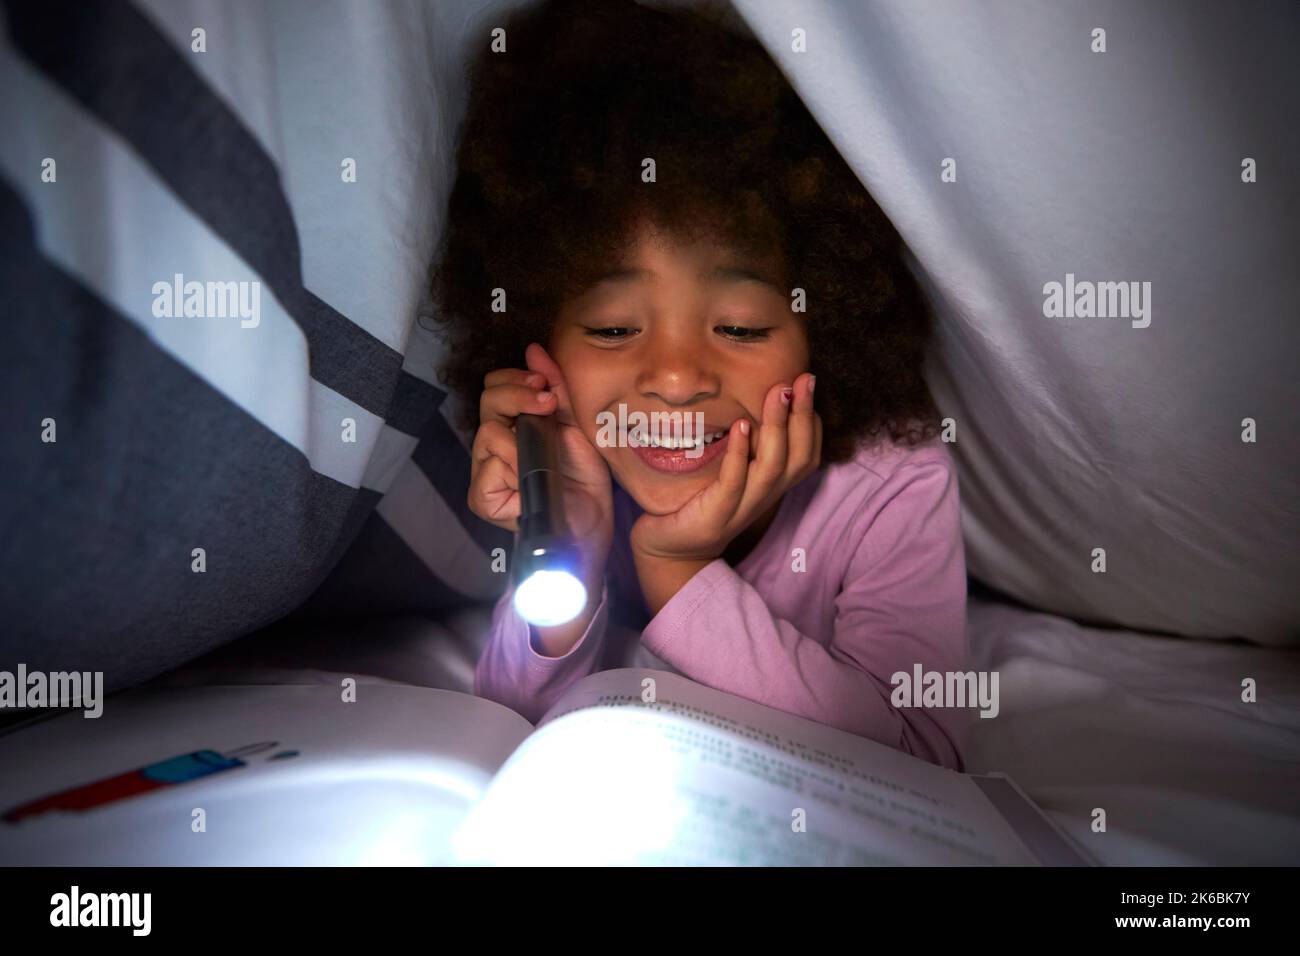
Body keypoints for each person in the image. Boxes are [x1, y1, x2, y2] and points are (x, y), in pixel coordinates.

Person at [433, 0, 968, 770]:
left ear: (831, 331)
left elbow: (924, 762)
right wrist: (570, 548)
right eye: (614, 329)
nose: (678, 379)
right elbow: (511, 734)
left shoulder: (893, 481)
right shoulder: (576, 467)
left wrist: (678, 570)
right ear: (538, 355)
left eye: (743, 327)